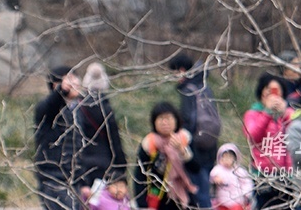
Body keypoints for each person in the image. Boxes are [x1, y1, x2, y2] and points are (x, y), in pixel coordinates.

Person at [169, 54, 219, 208]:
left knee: (199, 191)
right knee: (206, 189)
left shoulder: (188, 90)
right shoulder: (204, 86)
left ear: (182, 70)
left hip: (195, 147)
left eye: (174, 72)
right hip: (210, 143)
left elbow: (188, 119)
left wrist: (182, 141)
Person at [34, 65, 84, 210]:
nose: (75, 84)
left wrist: (84, 181)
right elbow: (51, 104)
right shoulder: (47, 110)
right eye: (70, 81)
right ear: (56, 85)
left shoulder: (76, 111)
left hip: (74, 181)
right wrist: (61, 90)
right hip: (53, 180)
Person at [133, 101, 199, 210]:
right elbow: (140, 175)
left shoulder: (185, 138)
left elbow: (196, 168)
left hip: (185, 196)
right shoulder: (149, 143)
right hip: (158, 197)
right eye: (160, 119)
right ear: (154, 122)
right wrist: (142, 205)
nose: (164, 122)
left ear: (176, 120)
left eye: (168, 118)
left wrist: (182, 150)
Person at [242, 73, 292, 209]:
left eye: (276, 90)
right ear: (261, 92)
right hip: (263, 175)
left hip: (287, 175)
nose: (272, 94)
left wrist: (285, 114)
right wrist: (267, 113)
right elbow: (252, 137)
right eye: (268, 90)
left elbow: (298, 136)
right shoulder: (252, 114)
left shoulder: (289, 114)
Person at [78, 62, 128, 193]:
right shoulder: (105, 107)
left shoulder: (77, 107)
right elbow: (114, 139)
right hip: (105, 162)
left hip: (82, 163)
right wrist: (121, 166)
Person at [209, 143, 252, 210]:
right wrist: (216, 180)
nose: (227, 160)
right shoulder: (218, 169)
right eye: (224, 157)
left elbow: (247, 183)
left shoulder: (239, 171)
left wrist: (246, 193)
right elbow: (213, 177)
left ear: (234, 158)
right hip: (221, 200)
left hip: (237, 200)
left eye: (229, 157)